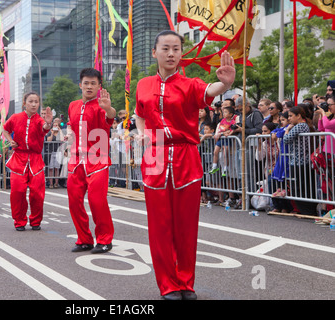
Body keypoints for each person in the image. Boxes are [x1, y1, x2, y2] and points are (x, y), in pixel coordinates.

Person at [135, 30, 235, 300]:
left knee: (187, 225)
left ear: (181, 54)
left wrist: (224, 86)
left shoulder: (191, 84)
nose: (171, 53)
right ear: (154, 52)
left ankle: (185, 283)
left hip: (185, 154)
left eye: (176, 49)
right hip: (155, 154)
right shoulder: (143, 84)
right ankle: (167, 285)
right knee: (159, 225)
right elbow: (139, 113)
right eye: (165, 48)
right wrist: (143, 132)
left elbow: (209, 91)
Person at [66, 68, 116, 254]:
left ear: (99, 86)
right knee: (74, 201)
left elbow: (110, 118)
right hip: (76, 160)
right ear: (80, 85)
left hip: (98, 161)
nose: (89, 86)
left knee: (97, 201)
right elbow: (73, 126)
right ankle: (84, 239)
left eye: (93, 83)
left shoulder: (103, 105)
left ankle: (104, 240)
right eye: (86, 83)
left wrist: (108, 108)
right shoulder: (73, 105)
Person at [3, 92, 53, 231]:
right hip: (19, 158)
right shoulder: (15, 117)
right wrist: (10, 141)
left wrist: (48, 123)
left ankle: (36, 220)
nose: (33, 104)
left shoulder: (39, 120)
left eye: (36, 102)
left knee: (37, 193)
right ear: (24, 103)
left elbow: (45, 128)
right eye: (30, 101)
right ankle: (19, 221)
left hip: (36, 159)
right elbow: (5, 129)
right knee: (17, 191)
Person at [283, 106, 316, 215]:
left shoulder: (301, 125)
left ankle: (306, 211)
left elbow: (286, 139)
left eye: (291, 116)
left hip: (300, 161)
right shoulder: (301, 125)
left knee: (301, 187)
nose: (289, 119)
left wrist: (287, 129)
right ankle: (303, 211)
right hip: (297, 161)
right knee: (299, 187)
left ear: (299, 116)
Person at [208, 106, 238, 176]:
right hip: (221, 138)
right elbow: (221, 129)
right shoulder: (222, 121)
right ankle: (214, 166)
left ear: (230, 114)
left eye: (225, 112)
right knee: (215, 152)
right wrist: (222, 133)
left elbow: (231, 131)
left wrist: (227, 133)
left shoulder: (232, 122)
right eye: (223, 112)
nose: (223, 113)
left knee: (225, 153)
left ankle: (225, 168)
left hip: (227, 139)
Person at [46, 121, 64, 189]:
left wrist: (60, 131)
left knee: (57, 168)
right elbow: (49, 141)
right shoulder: (50, 132)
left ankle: (56, 183)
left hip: (58, 152)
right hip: (51, 152)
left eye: (57, 125)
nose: (55, 127)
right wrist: (52, 134)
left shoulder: (59, 133)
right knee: (51, 168)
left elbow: (62, 140)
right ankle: (51, 183)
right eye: (54, 125)